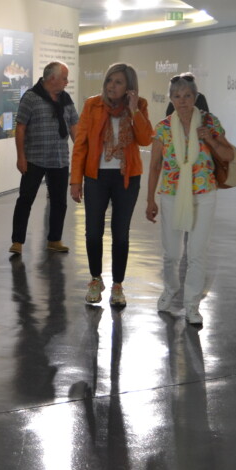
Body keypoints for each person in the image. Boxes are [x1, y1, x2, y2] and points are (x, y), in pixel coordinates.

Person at [145, 73, 236, 325]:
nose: (182, 101)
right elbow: (155, 166)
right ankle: (170, 288)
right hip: (172, 194)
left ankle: (192, 303)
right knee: (171, 252)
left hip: (204, 194)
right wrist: (150, 199)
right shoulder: (163, 127)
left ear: (195, 97)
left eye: (187, 96)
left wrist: (209, 138)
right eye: (177, 96)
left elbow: (228, 155)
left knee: (197, 252)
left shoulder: (210, 122)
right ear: (171, 99)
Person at [70, 63, 153, 307]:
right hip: (96, 176)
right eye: (109, 81)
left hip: (127, 176)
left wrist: (134, 110)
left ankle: (118, 284)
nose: (111, 86)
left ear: (129, 87)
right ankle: (95, 279)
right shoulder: (92, 105)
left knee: (121, 233)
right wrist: (75, 180)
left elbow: (145, 139)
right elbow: (81, 144)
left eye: (118, 82)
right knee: (93, 232)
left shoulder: (140, 105)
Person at [10, 61, 79, 255]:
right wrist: (20, 157)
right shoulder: (31, 97)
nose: (67, 82)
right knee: (25, 199)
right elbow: (21, 128)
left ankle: (54, 239)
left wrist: (82, 152)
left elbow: (74, 126)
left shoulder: (65, 99)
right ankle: (17, 241)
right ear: (52, 78)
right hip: (34, 158)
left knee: (59, 202)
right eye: (64, 78)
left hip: (59, 159)